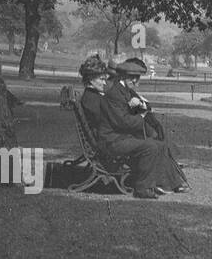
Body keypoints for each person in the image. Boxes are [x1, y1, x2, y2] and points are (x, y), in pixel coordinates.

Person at [76, 56, 178, 199]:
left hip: (110, 138)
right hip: (109, 142)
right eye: (101, 79)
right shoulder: (92, 99)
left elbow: (110, 118)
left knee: (152, 141)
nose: (105, 82)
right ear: (91, 79)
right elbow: (109, 121)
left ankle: (158, 181)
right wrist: (129, 114)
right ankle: (143, 188)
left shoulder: (95, 95)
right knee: (150, 146)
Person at [106, 57, 189, 193]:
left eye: (137, 78)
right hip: (123, 135)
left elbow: (146, 105)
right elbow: (122, 122)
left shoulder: (127, 90)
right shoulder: (116, 93)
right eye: (132, 77)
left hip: (130, 132)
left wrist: (141, 104)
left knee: (157, 138)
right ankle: (163, 182)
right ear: (124, 76)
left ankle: (171, 182)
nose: (135, 81)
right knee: (154, 140)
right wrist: (142, 115)